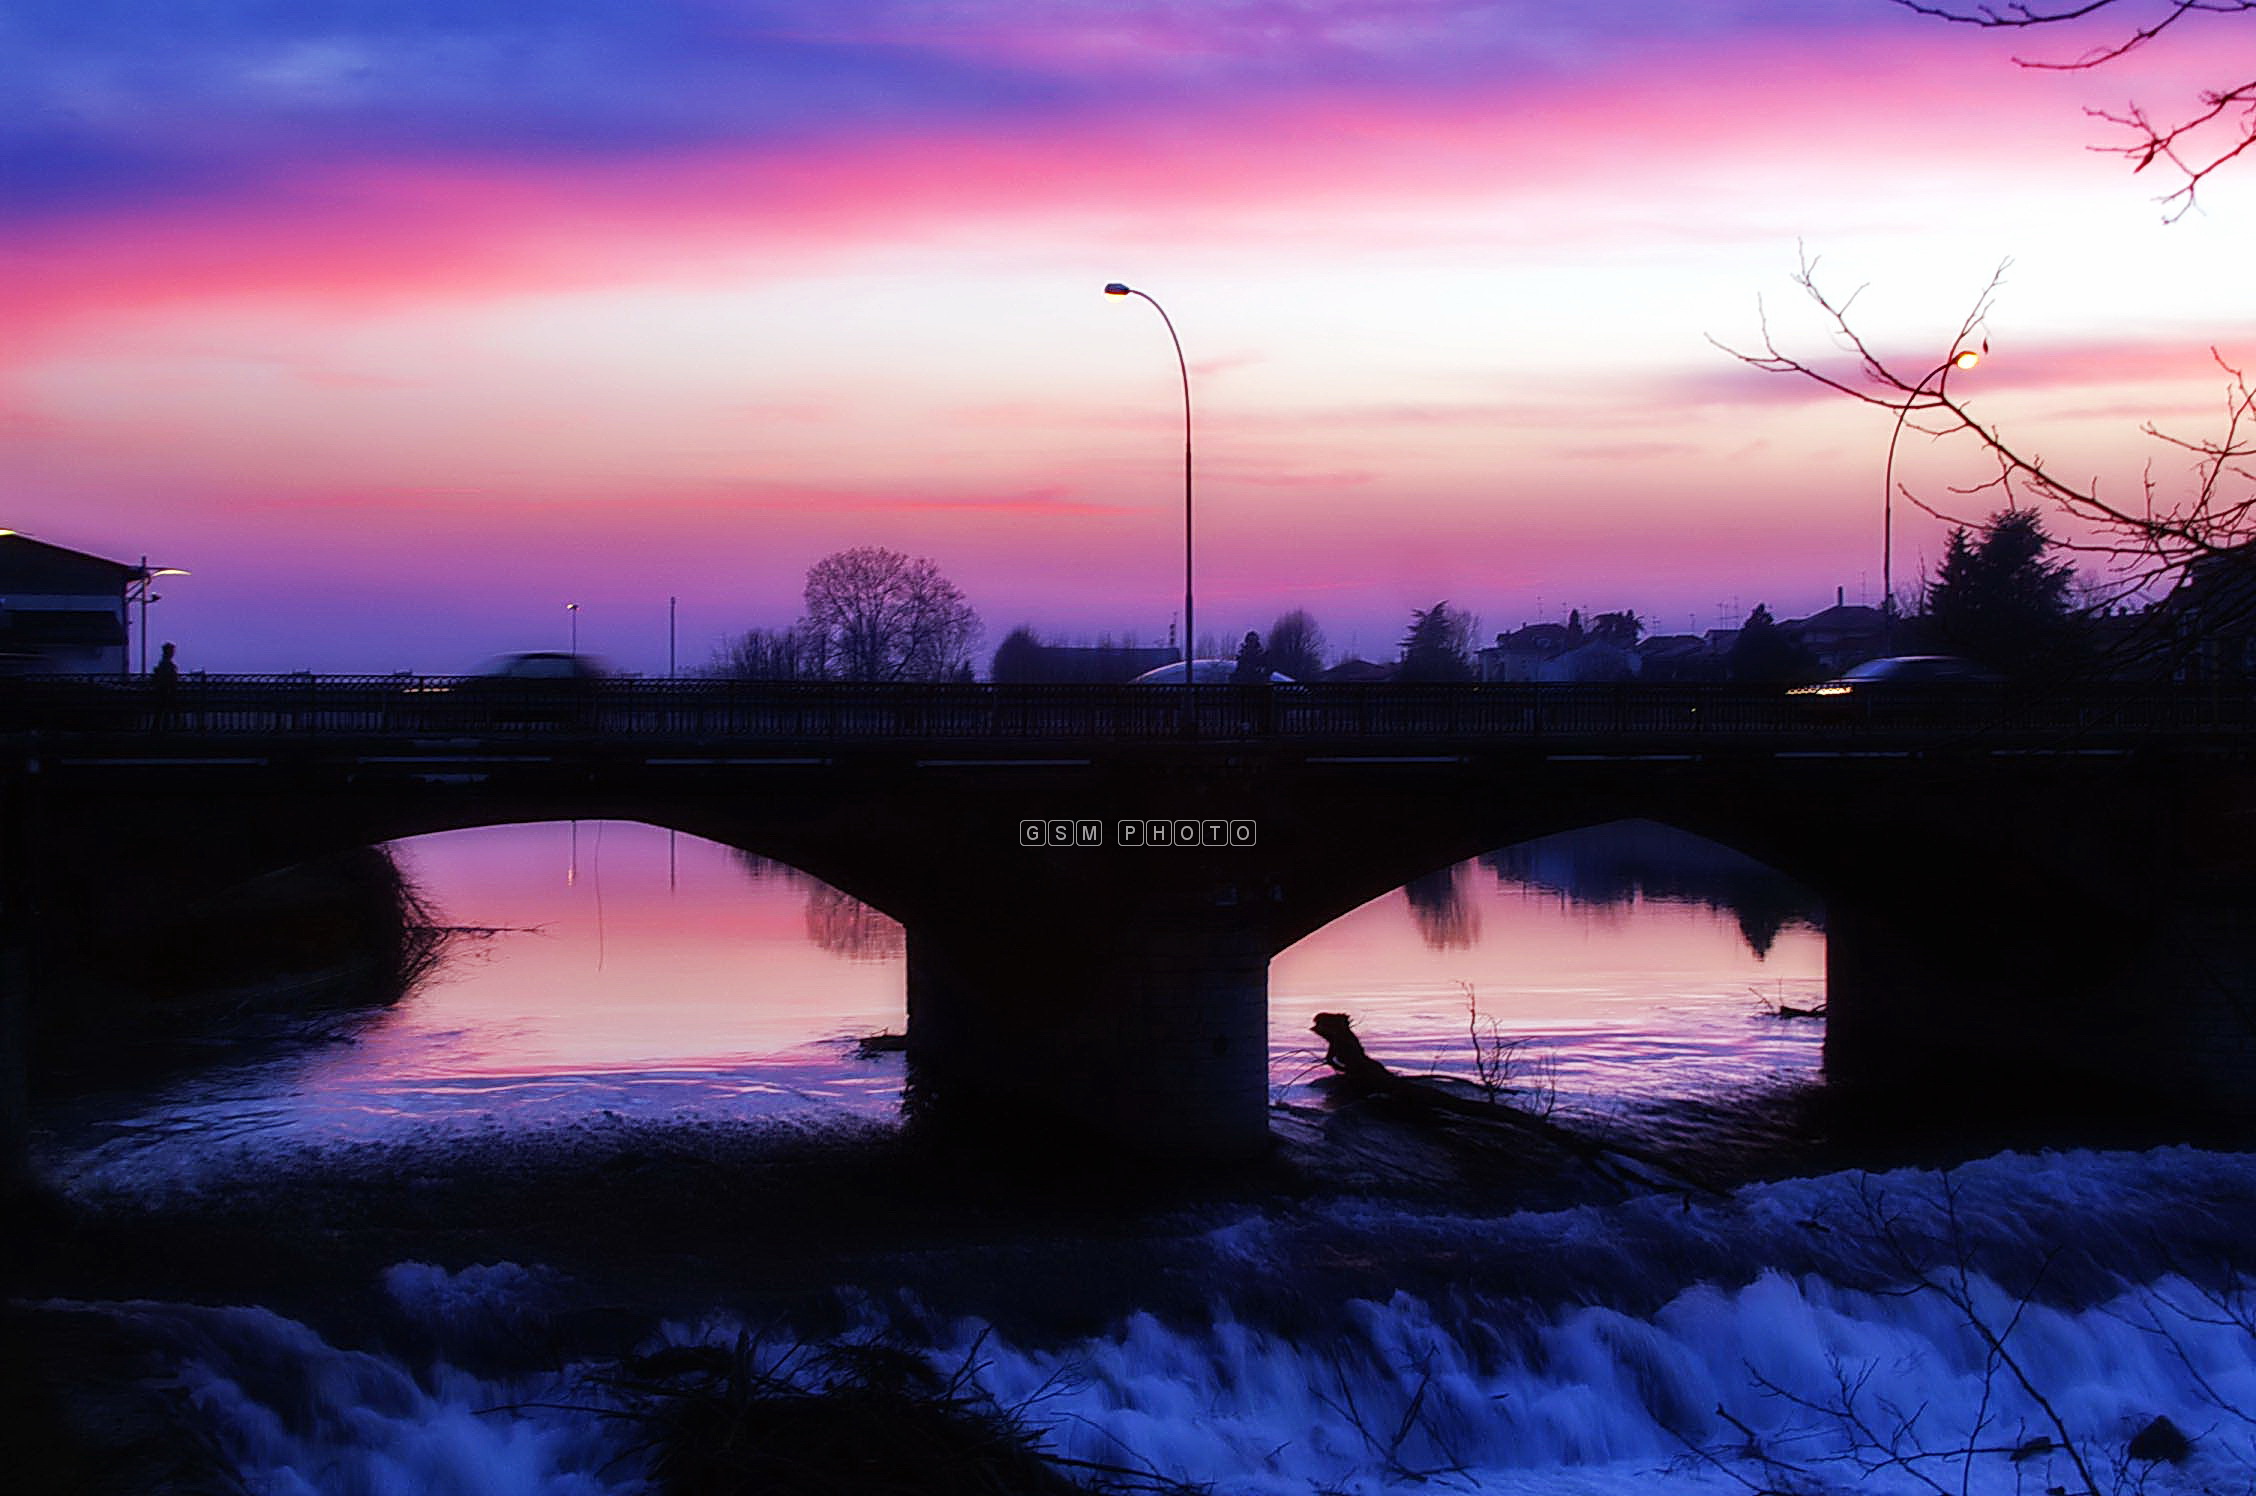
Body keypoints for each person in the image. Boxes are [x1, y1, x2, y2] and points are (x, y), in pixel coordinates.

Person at [150, 641, 179, 732]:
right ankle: (163, 730)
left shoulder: (163, 663)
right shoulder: (166, 664)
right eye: (172, 651)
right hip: (166, 691)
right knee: (164, 711)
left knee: (161, 711)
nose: (173, 653)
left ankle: (158, 730)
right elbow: (169, 678)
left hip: (163, 690)